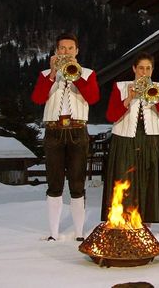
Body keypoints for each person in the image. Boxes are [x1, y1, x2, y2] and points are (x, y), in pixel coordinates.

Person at [31, 32, 100, 241]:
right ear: (56, 51)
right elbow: (37, 98)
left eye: (71, 48)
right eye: (62, 48)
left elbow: (93, 97)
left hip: (78, 130)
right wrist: (52, 74)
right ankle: (53, 232)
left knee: (77, 183)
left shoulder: (87, 73)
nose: (66, 52)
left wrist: (76, 76)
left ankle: (79, 233)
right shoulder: (46, 74)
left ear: (77, 51)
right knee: (54, 182)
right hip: (53, 130)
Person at [102, 51, 159, 224]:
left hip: (152, 140)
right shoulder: (120, 87)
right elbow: (111, 115)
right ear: (134, 69)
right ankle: (123, 221)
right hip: (125, 140)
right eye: (141, 68)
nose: (144, 72)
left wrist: (156, 98)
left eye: (148, 69)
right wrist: (128, 99)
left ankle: (146, 222)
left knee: (149, 180)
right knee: (126, 179)